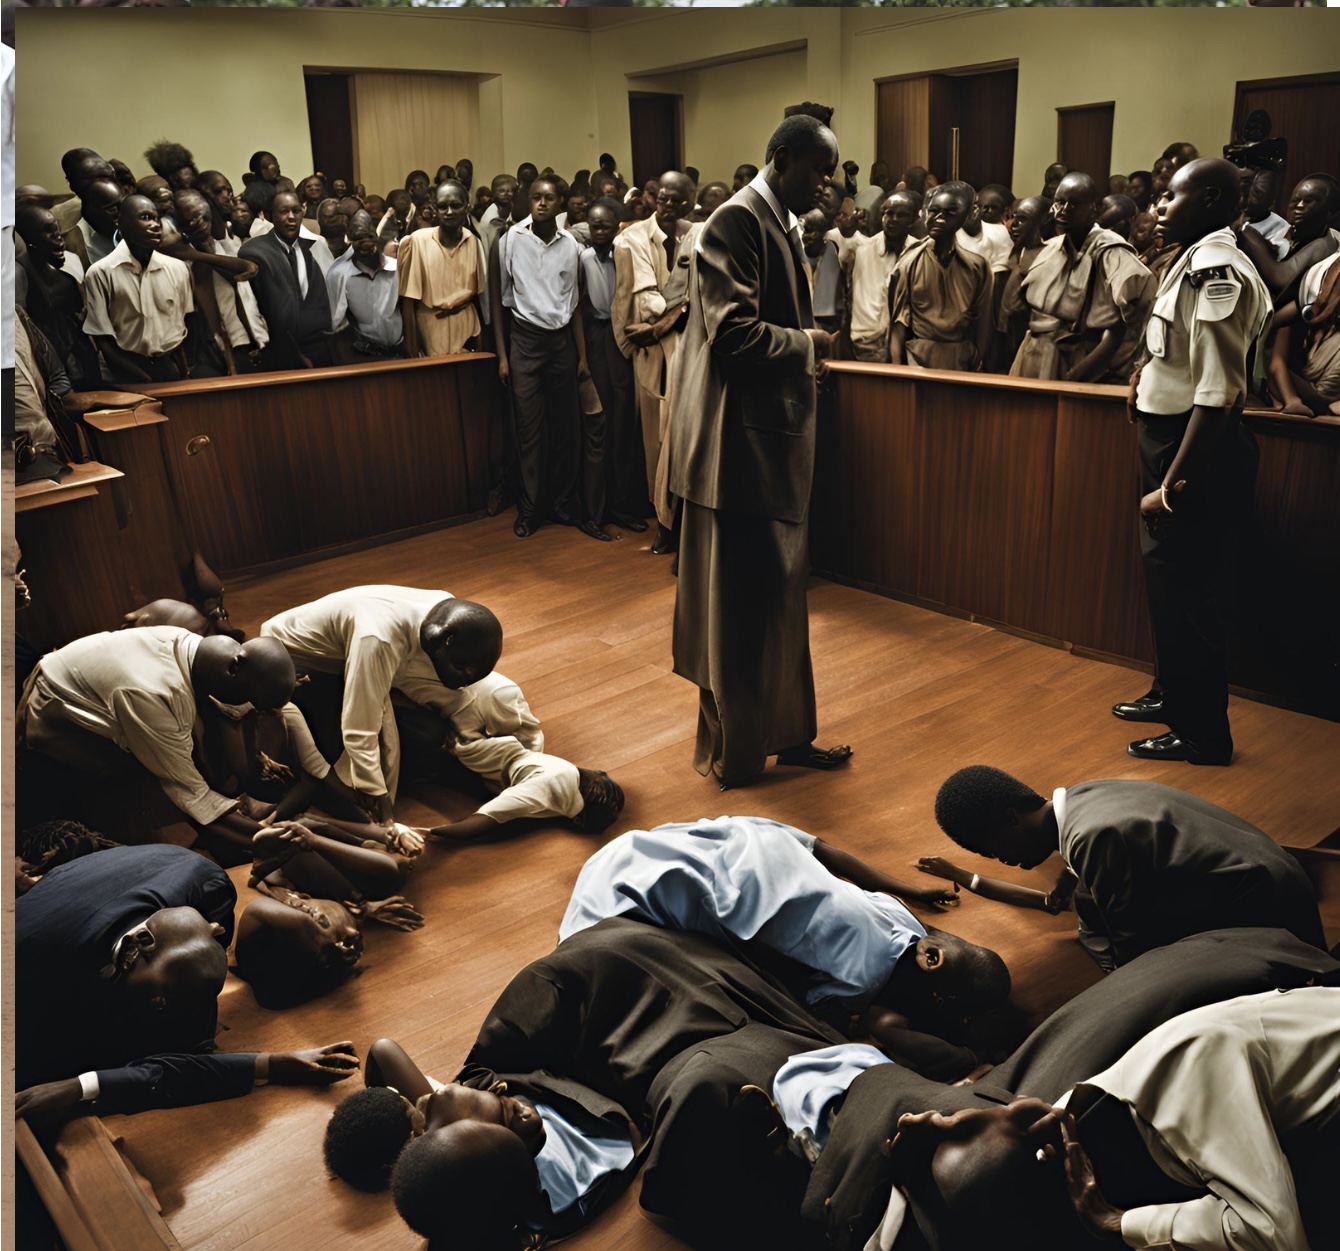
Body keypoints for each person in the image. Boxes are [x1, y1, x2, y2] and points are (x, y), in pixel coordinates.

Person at [801, 926, 1337, 1251]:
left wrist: (1118, 1220)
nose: (945, 1113)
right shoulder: (1157, 1085)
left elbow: (1275, 1236)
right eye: (983, 1113)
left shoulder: (1190, 1078)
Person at [353, 916, 845, 1248]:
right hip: (648, 1058)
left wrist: (415, 1120)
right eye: (507, 1117)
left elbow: (383, 1051)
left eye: (496, 1097)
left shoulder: (472, 1090)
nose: (506, 1096)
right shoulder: (523, 1205)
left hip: (603, 997)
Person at [669, 115, 853, 788]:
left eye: (831, 175)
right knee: (742, 618)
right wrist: (811, 345)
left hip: (765, 449)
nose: (827, 186)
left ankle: (785, 735)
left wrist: (803, 353)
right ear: (781, 158)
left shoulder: (774, 221)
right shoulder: (736, 220)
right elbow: (734, 335)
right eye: (818, 171)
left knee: (778, 606)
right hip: (736, 456)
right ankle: (737, 758)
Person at [883, 987, 1339, 1251]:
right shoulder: (1080, 1114)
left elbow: (1277, 1236)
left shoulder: (1182, 1072)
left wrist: (1117, 1222)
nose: (1022, 1101)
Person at [561, 815, 1006, 1075]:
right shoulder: (863, 979)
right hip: (634, 900)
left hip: (655, 850)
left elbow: (825, 850)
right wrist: (970, 1057)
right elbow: (870, 1026)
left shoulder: (900, 916)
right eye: (946, 1001)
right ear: (930, 963)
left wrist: (908, 889)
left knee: (771, 849)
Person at [1119, 158, 1273, 764]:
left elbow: (1216, 395)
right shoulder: (1191, 255)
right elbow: (1179, 355)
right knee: (1168, 583)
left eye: (1170, 196)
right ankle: (1172, 693)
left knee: (1191, 589)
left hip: (1192, 447)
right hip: (1171, 436)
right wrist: (1143, 376)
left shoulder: (1217, 270)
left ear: (1210, 199)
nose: (1158, 207)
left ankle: (1203, 734)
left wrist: (1173, 488)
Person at [922, 767, 1324, 971]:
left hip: (1268, 916)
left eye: (994, 850)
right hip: (1277, 879)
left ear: (1011, 818)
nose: (1005, 861)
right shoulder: (1087, 797)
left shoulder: (1093, 837)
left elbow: (1136, 946)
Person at [17, 626, 308, 851]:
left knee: (178, 757)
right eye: (247, 698)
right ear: (233, 670)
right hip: (51, 720)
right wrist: (266, 837)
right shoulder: (155, 694)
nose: (244, 707)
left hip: (84, 679)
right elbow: (191, 796)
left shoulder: (196, 647)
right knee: (143, 775)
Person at [259, 586, 503, 821]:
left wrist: (455, 718)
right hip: (289, 661)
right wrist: (377, 795)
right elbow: (359, 730)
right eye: (462, 670)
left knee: (431, 730)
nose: (462, 680)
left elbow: (410, 672)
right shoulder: (377, 639)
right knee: (342, 771)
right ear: (447, 641)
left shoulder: (442, 609)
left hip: (342, 659)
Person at [495, 176, 607, 541]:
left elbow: (573, 304)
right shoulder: (510, 240)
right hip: (524, 342)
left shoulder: (571, 245)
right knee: (529, 432)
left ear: (561, 204)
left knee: (564, 429)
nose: (542, 203)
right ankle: (530, 509)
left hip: (561, 343)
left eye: (549, 198)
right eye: (536, 197)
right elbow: (498, 303)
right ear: (528, 202)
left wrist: (582, 357)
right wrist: (503, 355)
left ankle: (560, 503)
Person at [612, 169, 699, 548]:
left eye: (678, 202)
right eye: (662, 198)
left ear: (690, 203)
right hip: (650, 353)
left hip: (690, 349)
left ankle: (681, 521)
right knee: (656, 440)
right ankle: (663, 521)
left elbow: (704, 294)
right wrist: (678, 311)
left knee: (684, 435)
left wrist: (677, 314)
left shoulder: (698, 234)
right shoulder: (631, 238)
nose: (667, 207)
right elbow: (649, 302)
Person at [1009, 172, 1154, 383]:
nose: (1064, 210)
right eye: (1060, 202)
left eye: (1074, 204)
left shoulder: (1110, 249)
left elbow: (1125, 323)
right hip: (1032, 352)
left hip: (1073, 361)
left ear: (1095, 209)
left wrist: (1080, 373)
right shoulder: (1053, 247)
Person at [577, 197, 647, 532]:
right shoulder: (583, 258)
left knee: (623, 425)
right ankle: (595, 512)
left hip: (622, 339)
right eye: (594, 224)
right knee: (599, 426)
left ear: (617, 225)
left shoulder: (626, 256)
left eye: (605, 224)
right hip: (594, 339)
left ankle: (622, 506)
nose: (599, 230)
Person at [82, 194, 193, 384]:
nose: (156, 224)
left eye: (157, 218)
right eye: (145, 218)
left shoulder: (177, 268)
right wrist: (142, 377)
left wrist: (183, 370)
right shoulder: (101, 273)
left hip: (170, 366)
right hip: (128, 368)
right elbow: (103, 338)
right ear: (120, 222)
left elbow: (184, 322)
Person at [889, 183, 994, 371]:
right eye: (934, 211)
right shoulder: (909, 262)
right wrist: (898, 371)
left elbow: (984, 320)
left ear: (965, 216)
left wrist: (979, 357)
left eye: (950, 213)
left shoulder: (977, 266)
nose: (939, 219)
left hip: (961, 359)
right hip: (919, 358)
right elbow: (898, 325)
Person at [166, 188, 266, 376]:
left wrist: (198, 255)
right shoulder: (178, 261)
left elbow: (248, 269)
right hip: (208, 347)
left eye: (204, 216)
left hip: (245, 340)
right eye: (191, 219)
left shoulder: (223, 246)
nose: (200, 223)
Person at [239, 188, 335, 369]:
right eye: (284, 211)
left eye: (296, 211)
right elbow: (252, 310)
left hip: (320, 350)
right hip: (281, 355)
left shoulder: (309, 248)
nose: (291, 217)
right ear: (270, 215)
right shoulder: (255, 251)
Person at [15, 201, 102, 388]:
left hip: (83, 360)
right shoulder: (22, 279)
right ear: (28, 239)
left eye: (57, 230)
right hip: (54, 372)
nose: (59, 238)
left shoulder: (67, 268)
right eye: (48, 232)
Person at [397, 179, 485, 359]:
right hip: (432, 327)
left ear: (467, 208)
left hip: (467, 327)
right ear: (435, 209)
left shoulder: (474, 242)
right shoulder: (417, 242)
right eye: (443, 206)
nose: (449, 212)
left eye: (456, 205)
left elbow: (480, 298)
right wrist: (412, 348)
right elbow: (408, 302)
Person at [844, 190, 918, 362]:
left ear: (913, 219)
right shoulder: (863, 250)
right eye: (888, 213)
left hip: (909, 345)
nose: (892, 219)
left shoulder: (919, 252)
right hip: (867, 344)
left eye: (901, 215)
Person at [327, 208, 403, 359]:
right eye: (357, 238)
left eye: (368, 235)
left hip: (400, 353)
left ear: (376, 236)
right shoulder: (340, 274)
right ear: (350, 242)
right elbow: (336, 326)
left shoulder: (397, 269)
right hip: (363, 355)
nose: (364, 242)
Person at [801, 208, 844, 335]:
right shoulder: (797, 254)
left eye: (814, 231)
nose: (809, 236)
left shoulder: (835, 252)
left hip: (830, 323)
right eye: (806, 230)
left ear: (824, 234)